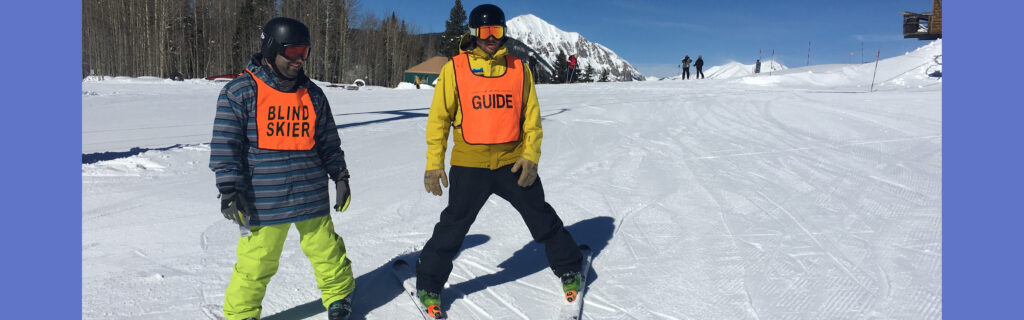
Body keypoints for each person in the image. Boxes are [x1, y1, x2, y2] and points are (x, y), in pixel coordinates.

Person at [417, 3, 584, 319]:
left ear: (503, 32)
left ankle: (570, 268)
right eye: (484, 31)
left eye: (496, 31)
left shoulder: (518, 69)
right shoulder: (456, 68)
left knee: (541, 217)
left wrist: (530, 156)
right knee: (453, 226)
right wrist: (433, 161)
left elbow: (531, 118)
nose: (490, 38)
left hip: (513, 162)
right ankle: (428, 284)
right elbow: (439, 119)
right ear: (473, 33)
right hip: (470, 163)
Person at [209, 17, 355, 320]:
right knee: (256, 262)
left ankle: (339, 297)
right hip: (264, 199)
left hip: (309, 193)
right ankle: (241, 314)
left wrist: (340, 175)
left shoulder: (313, 94)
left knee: (328, 252)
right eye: (293, 52)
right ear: (271, 49)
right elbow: (226, 145)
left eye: (305, 52)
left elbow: (328, 140)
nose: (300, 60)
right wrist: (229, 188)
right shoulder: (240, 92)